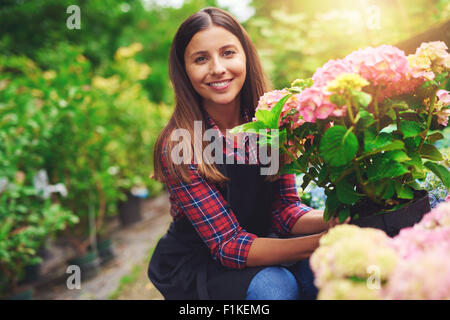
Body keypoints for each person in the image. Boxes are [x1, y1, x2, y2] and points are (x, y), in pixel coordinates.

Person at [148, 7, 341, 300]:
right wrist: (328, 239)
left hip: (261, 242)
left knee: (325, 271)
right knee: (275, 289)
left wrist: (340, 218)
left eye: (228, 53)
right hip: (205, 261)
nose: (217, 68)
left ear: (246, 57)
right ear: (184, 70)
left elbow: (285, 212)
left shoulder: (272, 124)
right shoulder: (179, 144)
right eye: (201, 59)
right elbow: (228, 245)